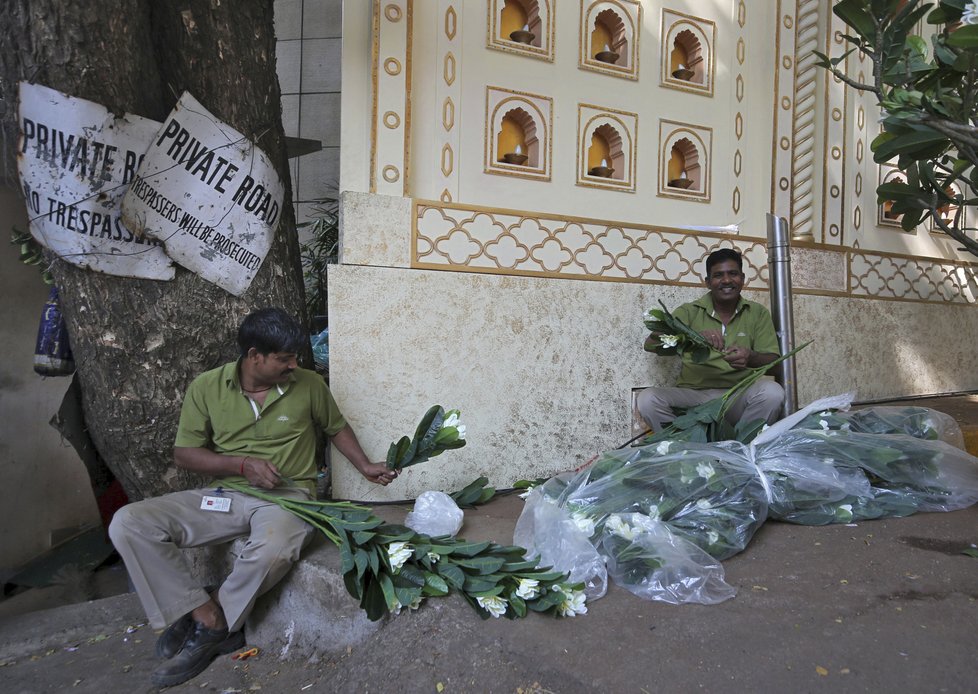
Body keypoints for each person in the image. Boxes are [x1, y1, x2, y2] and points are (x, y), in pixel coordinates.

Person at [108, 307, 397, 688]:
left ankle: (211, 623)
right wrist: (241, 465)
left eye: (294, 357)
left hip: (290, 499)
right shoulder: (207, 387)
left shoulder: (308, 384)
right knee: (129, 523)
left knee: (276, 547)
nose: (293, 364)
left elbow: (335, 427)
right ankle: (205, 613)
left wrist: (365, 466)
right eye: (284, 358)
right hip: (226, 495)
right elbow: (185, 453)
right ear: (254, 356)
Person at [637, 248, 784, 433]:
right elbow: (651, 344)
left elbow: (776, 364)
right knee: (647, 399)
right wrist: (693, 336)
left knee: (773, 392)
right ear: (708, 282)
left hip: (737, 397)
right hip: (694, 397)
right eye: (718, 275)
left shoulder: (757, 313)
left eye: (733, 274)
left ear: (743, 278)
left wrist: (751, 357)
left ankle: (738, 449)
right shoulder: (690, 311)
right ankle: (689, 449)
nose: (727, 280)